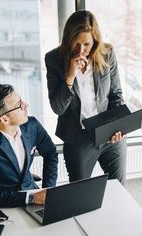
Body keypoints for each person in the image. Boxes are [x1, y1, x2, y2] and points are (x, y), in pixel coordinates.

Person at [45, 10, 126, 184]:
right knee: (80, 193)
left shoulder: (107, 53)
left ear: (95, 41)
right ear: (68, 40)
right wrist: (70, 76)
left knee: (118, 187)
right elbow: (57, 108)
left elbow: (116, 95)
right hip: (78, 137)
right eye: (76, 44)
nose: (81, 50)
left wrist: (118, 126)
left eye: (86, 45)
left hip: (109, 133)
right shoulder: (54, 59)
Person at [0, 84, 58, 208]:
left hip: (31, 191)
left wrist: (49, 190)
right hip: (3, 202)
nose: (26, 106)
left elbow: (51, 153)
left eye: (22, 100)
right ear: (4, 119)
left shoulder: (33, 126)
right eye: (19, 105)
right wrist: (31, 198)